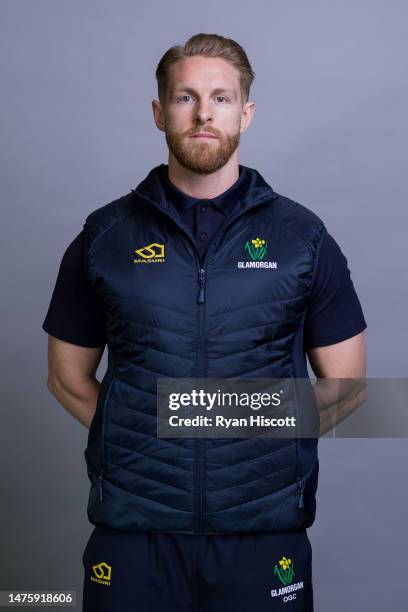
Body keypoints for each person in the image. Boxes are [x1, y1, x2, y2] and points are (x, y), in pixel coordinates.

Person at [43, 33, 367, 612]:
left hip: (263, 537)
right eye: (185, 97)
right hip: (134, 535)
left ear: (246, 112)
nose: (202, 114)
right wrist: (138, 439)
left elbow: (346, 385)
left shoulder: (302, 240)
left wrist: (231, 429)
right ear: (158, 112)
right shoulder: (104, 237)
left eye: (220, 98)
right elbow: (67, 378)